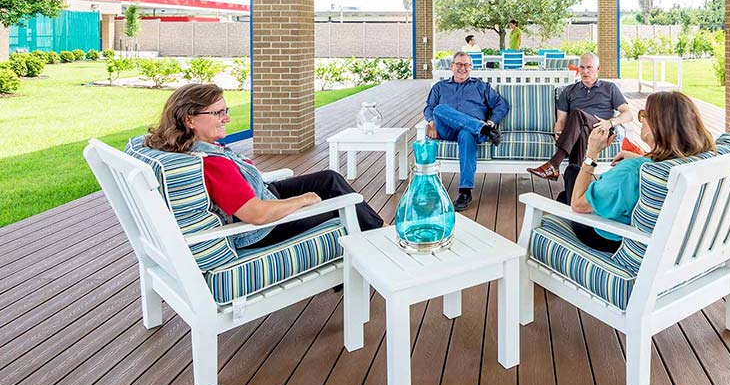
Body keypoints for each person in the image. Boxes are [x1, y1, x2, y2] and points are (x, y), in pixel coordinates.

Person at [144, 83, 384, 251]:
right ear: (189, 120)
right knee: (344, 208)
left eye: (225, 111)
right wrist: (303, 200)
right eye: (218, 113)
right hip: (262, 230)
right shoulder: (212, 164)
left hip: (261, 194)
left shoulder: (186, 146)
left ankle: (379, 231)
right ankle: (378, 244)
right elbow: (256, 214)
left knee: (329, 179)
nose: (226, 119)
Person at [559, 91, 715, 252]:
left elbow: (578, 205)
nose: (642, 121)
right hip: (673, 246)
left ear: (658, 126)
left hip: (609, 237)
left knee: (572, 172)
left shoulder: (631, 171)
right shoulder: (697, 160)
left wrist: (592, 154)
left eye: (644, 115)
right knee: (564, 194)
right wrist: (641, 157)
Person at [423, 51, 509, 211]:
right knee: (440, 109)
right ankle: (484, 130)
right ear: (452, 66)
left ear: (471, 67)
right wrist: (431, 122)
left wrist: (491, 121)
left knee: (466, 133)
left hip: (470, 133)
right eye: (459, 64)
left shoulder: (481, 86)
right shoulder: (440, 87)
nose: (463, 68)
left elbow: (501, 104)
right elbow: (429, 108)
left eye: (466, 65)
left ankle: (465, 191)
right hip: (447, 130)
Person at [527, 52, 633, 181]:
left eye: (589, 67)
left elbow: (628, 114)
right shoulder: (569, 90)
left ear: (598, 69)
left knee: (577, 113)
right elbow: (561, 120)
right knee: (580, 127)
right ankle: (571, 193)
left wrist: (609, 123)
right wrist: (558, 132)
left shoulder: (609, 88)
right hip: (577, 131)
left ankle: (554, 164)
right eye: (582, 67)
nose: (585, 71)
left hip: (600, 130)